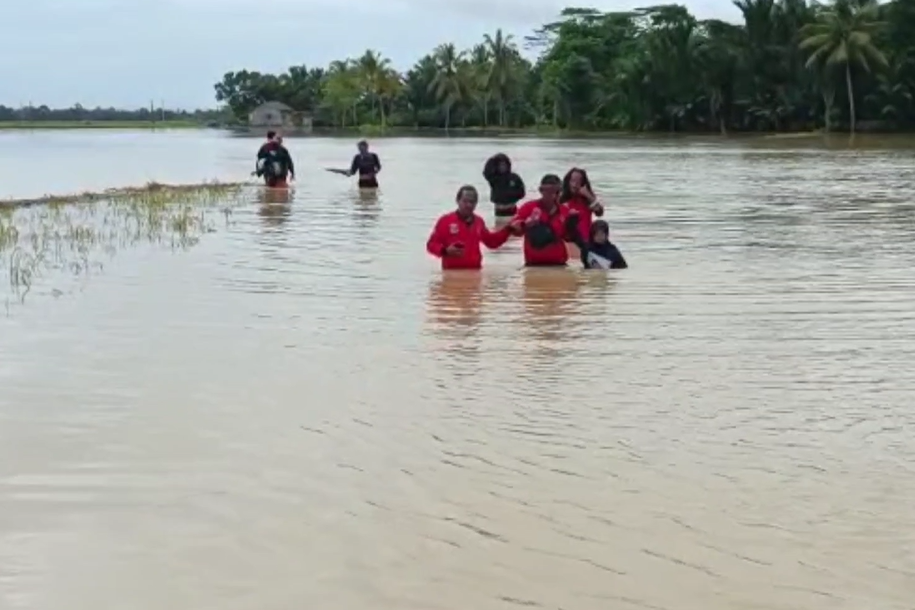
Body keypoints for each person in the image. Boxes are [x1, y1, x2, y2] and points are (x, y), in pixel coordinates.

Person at [426, 185, 512, 270]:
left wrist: (508, 229)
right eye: (465, 201)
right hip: (452, 274)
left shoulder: (479, 221)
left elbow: (491, 242)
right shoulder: (445, 221)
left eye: (472, 202)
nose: (468, 205)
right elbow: (431, 244)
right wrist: (445, 251)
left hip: (475, 273)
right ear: (457, 200)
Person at [507, 174, 575, 267]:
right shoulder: (529, 207)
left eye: (557, 191)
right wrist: (526, 224)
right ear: (541, 191)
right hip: (533, 265)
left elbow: (569, 238)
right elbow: (512, 229)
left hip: (559, 265)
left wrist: (573, 222)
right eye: (549, 191)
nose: (554, 195)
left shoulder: (565, 211)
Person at [560, 167, 604, 240]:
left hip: (585, 240)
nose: (575, 185)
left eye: (578, 182)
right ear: (568, 182)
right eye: (573, 181)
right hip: (568, 241)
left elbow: (599, 212)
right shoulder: (561, 199)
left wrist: (588, 195)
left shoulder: (586, 200)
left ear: (583, 183)